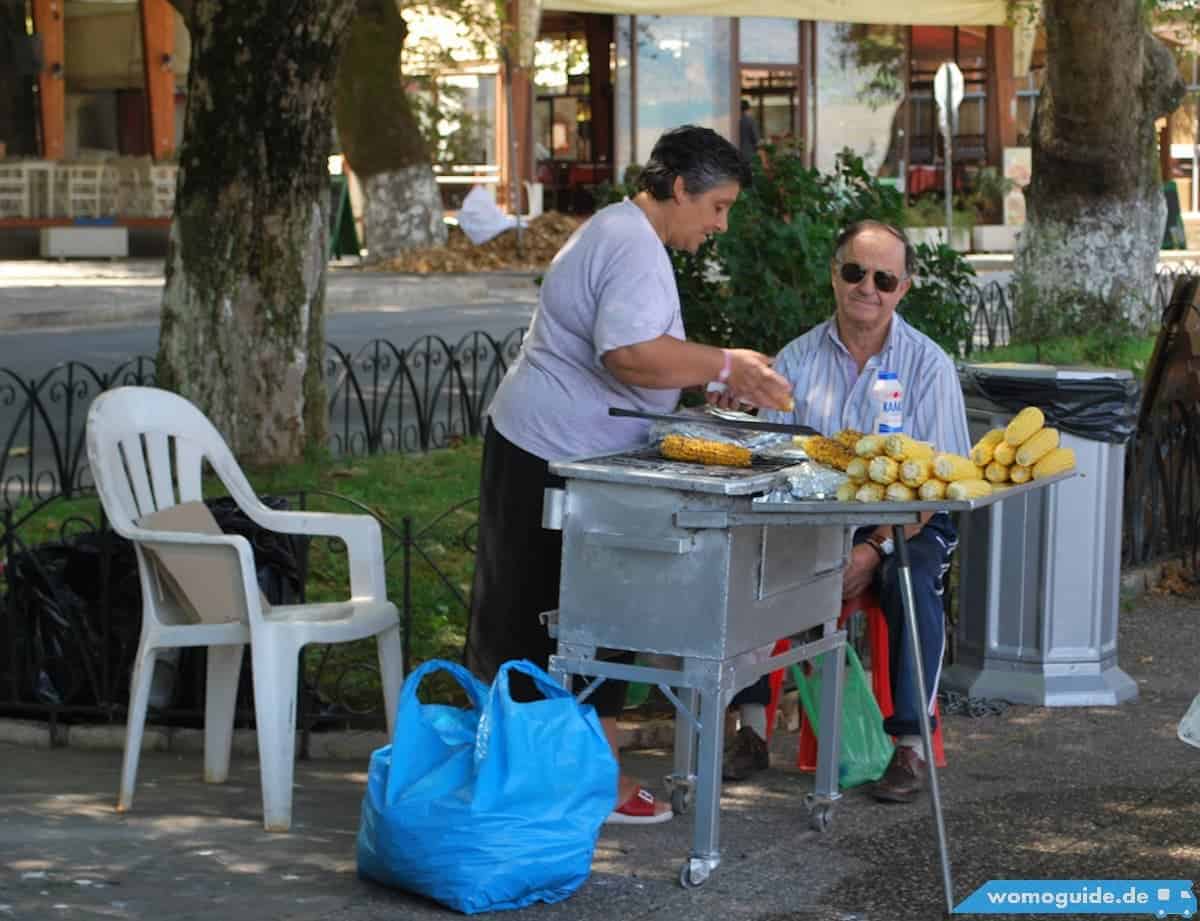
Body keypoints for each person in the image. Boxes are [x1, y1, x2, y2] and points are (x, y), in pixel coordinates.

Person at [466, 125, 795, 825]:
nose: (720, 224)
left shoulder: (624, 233)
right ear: (679, 188)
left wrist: (700, 385)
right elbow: (629, 355)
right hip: (545, 450)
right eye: (717, 206)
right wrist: (726, 364)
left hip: (563, 449)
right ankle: (559, 784)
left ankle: (580, 774)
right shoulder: (629, 241)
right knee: (548, 621)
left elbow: (648, 356)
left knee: (587, 618)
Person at [722, 220, 970, 804]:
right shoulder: (797, 360)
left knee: (907, 579)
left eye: (884, 278)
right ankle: (751, 727)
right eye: (856, 272)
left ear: (903, 289)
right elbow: (768, 464)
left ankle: (909, 744)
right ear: (835, 275)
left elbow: (942, 487)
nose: (868, 289)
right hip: (811, 515)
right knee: (742, 559)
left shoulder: (927, 365)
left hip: (906, 521)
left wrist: (873, 547)